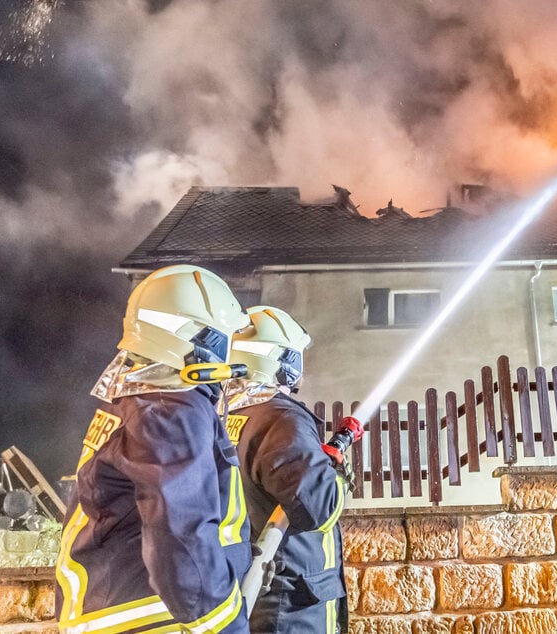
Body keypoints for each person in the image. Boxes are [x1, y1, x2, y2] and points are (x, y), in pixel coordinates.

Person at [56, 264, 252, 633]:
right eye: (225, 338)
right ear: (200, 340)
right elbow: (180, 528)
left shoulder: (136, 396)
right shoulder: (170, 407)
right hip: (151, 615)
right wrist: (221, 623)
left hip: (112, 604)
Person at [224, 306, 350, 634]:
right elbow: (318, 509)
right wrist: (333, 473)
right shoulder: (281, 419)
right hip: (293, 596)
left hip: (253, 586)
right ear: (282, 360)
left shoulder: (228, 416)